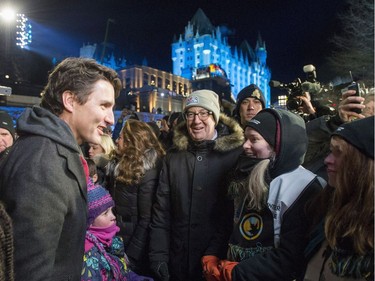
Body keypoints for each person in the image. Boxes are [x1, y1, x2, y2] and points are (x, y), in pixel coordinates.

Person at [0, 57, 122, 280]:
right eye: (104, 105)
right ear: (70, 100)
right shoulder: (42, 162)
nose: (111, 118)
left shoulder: (55, 150)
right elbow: (30, 272)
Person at [204, 108, 323, 281]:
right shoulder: (243, 173)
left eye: (254, 139)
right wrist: (212, 253)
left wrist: (237, 272)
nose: (245, 145)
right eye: (245, 138)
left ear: (278, 145)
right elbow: (228, 224)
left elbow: (292, 256)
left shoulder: (305, 187)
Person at [149, 89, 244, 281]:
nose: (196, 120)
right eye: (191, 114)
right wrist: (158, 254)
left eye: (204, 113)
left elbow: (233, 216)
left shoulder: (236, 156)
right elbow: (162, 211)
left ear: (215, 117)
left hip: (216, 264)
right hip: (179, 259)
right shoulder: (173, 158)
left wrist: (215, 253)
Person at [303, 116, 374, 280]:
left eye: (338, 153)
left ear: (364, 165)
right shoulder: (327, 207)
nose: (327, 160)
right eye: (330, 151)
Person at [106, 119, 165, 276]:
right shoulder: (118, 165)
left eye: (121, 137)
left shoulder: (148, 172)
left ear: (132, 142)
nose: (117, 141)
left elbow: (146, 219)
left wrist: (131, 255)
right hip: (118, 239)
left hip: (133, 249)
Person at [82, 180, 153, 281]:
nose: (113, 216)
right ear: (90, 221)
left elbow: (123, 273)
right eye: (105, 213)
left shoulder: (109, 241)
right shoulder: (88, 259)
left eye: (112, 210)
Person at [303, 89, 373, 180]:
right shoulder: (338, 140)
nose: (327, 160)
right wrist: (335, 122)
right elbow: (299, 148)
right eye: (366, 109)